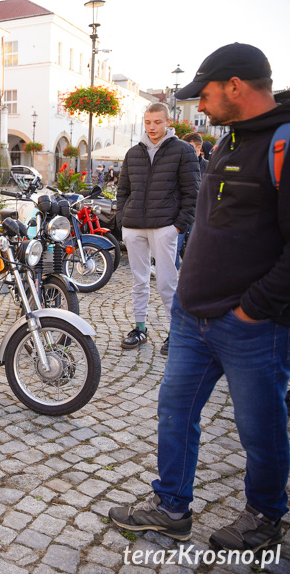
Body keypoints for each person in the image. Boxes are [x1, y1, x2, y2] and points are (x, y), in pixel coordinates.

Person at [109, 43, 290, 553]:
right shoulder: (229, 141)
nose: (201, 106)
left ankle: (263, 518)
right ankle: (171, 507)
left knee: (260, 428)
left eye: (205, 95)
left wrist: (252, 309)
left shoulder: (281, 143)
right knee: (174, 409)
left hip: (252, 326)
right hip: (193, 317)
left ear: (236, 86)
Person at [116, 102, 199, 354]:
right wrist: (122, 219)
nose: (152, 127)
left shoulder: (183, 150)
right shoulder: (133, 153)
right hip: (134, 226)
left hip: (165, 227)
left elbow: (192, 192)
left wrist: (177, 226)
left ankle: (176, 333)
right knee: (139, 281)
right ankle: (140, 328)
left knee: (167, 282)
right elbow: (123, 190)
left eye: (157, 122)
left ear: (167, 122)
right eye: (148, 122)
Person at [175, 132, 209, 268]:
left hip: (199, 212)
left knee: (195, 248)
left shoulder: (207, 166)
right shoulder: (180, 164)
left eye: (189, 147)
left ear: (199, 148)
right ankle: (173, 277)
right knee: (175, 246)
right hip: (181, 211)